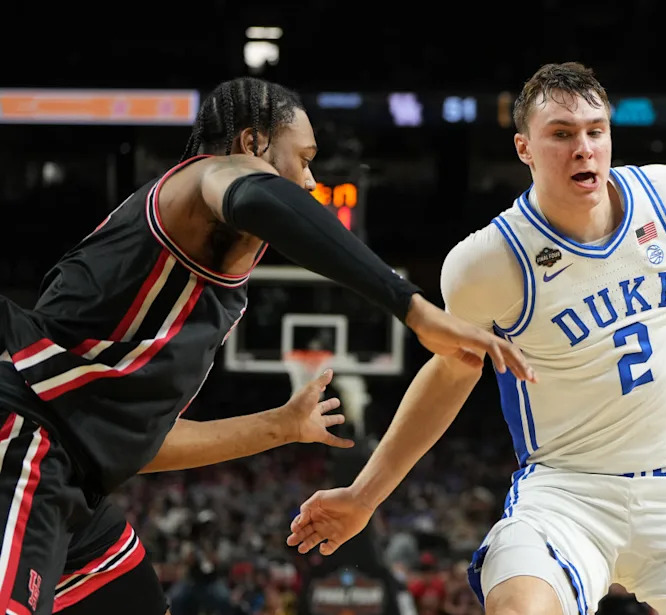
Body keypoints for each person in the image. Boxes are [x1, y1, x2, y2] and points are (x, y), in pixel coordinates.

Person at [0, 77, 534, 615]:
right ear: (252, 145)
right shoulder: (202, 179)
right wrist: (414, 310)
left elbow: (136, 444)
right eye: (302, 160)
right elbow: (258, 194)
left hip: (71, 474)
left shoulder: (197, 274)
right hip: (19, 433)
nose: (309, 181)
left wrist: (281, 425)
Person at [287, 62, 666, 615]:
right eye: (561, 133)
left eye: (594, 130)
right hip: (567, 495)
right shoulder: (486, 262)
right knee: (519, 608)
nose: (583, 147)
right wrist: (364, 497)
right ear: (524, 149)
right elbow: (450, 373)